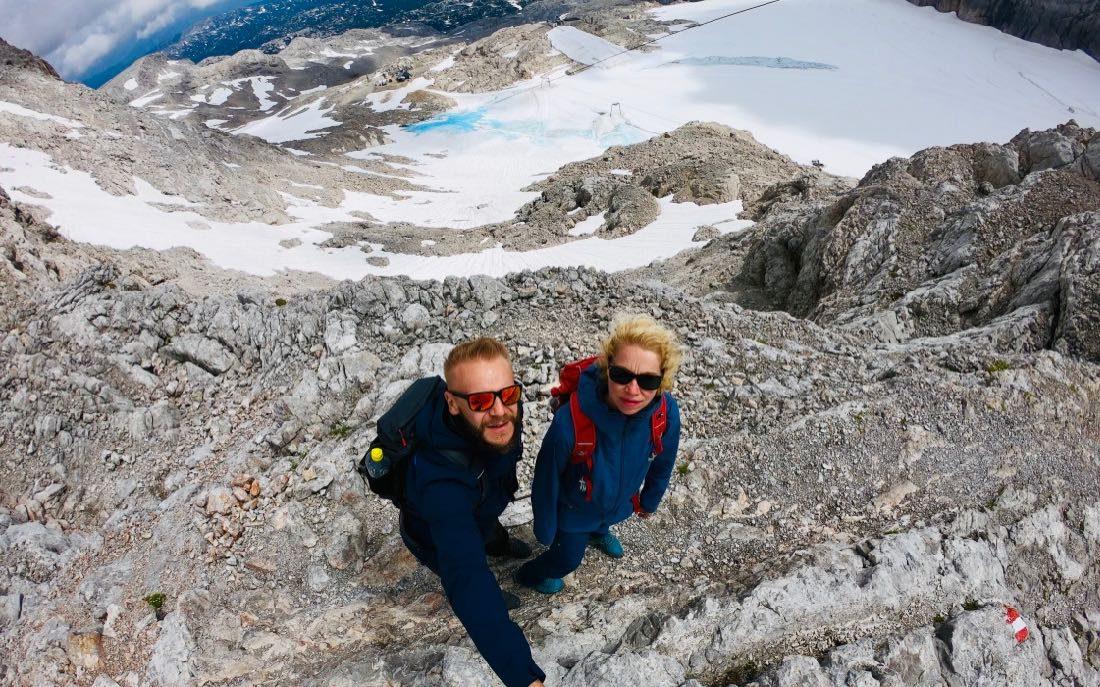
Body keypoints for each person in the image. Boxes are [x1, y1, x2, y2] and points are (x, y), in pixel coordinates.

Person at [399, 337, 545, 687]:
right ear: (452, 403)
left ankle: (498, 543)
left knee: (489, 534)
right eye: (479, 401)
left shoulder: (503, 415)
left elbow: (503, 453)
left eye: (507, 394)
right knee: (479, 581)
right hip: (432, 534)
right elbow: (466, 577)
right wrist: (524, 678)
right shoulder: (440, 482)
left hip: (485, 507)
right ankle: (499, 591)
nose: (498, 410)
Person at [515, 314, 682, 594]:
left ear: (662, 381)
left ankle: (599, 532)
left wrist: (649, 500)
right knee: (567, 558)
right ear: (607, 370)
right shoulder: (569, 423)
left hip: (617, 504)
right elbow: (546, 479)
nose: (633, 390)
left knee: (605, 517)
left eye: (648, 381)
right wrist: (544, 529)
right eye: (621, 375)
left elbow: (665, 460)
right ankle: (529, 575)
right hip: (574, 511)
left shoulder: (665, 413)